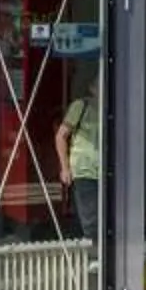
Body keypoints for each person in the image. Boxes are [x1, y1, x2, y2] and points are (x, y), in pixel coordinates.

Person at [55, 67, 101, 235]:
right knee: (90, 217)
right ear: (92, 88)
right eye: (99, 83)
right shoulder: (81, 106)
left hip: (105, 171)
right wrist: (65, 168)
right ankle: (92, 252)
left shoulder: (112, 107)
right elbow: (61, 136)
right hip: (84, 169)